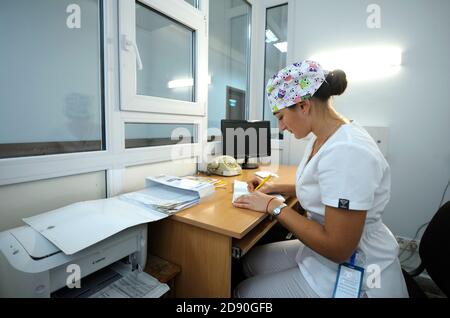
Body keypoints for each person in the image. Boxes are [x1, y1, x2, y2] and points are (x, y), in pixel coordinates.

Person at [232, 60, 408, 298]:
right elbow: (325, 187)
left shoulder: (348, 151)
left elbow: (338, 247)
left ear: (304, 106)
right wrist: (277, 187)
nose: (281, 127)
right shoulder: (324, 137)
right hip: (320, 251)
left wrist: (274, 206)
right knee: (249, 262)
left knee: (244, 293)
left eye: (281, 116)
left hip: (351, 265)